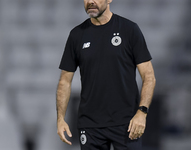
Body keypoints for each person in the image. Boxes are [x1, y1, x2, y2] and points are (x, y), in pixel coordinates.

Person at [56, 0, 156, 149]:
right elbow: (65, 81)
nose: (91, 2)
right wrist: (60, 119)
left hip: (127, 124)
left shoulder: (129, 29)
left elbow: (149, 77)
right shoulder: (76, 35)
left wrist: (142, 112)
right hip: (90, 126)